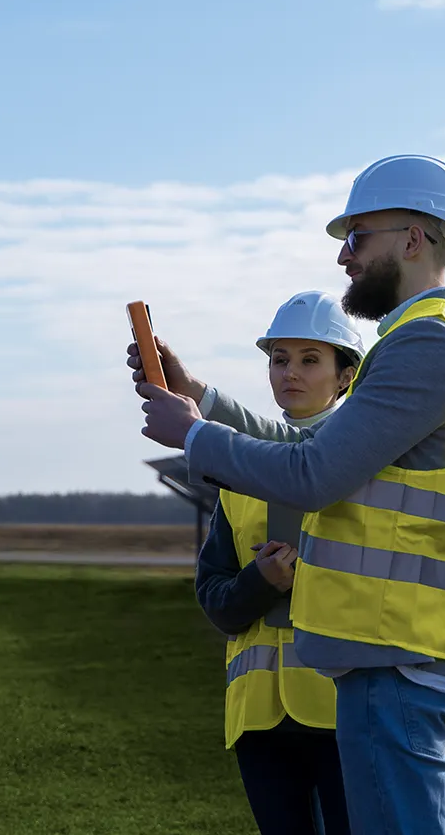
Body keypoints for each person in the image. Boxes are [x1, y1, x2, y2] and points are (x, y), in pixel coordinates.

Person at [131, 155, 445, 835]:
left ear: (412, 240)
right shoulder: (437, 339)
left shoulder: (423, 342)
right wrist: (203, 400)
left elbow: (312, 474)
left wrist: (193, 437)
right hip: (420, 660)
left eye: (357, 235)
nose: (343, 256)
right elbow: (312, 450)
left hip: (399, 665)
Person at [194, 291, 363, 835]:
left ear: (345, 376)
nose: (291, 372)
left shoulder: (374, 461)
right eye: (280, 359)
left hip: (345, 710)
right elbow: (216, 600)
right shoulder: (238, 468)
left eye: (310, 359)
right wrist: (258, 582)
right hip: (259, 715)